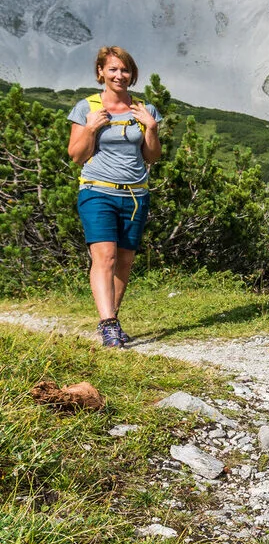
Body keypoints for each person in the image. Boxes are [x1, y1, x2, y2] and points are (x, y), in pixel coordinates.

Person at [67, 46, 162, 348]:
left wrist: (151, 127)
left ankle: (111, 320)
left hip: (135, 195)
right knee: (105, 256)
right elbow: (76, 156)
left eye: (125, 70)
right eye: (113, 69)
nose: (119, 75)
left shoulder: (144, 110)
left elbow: (152, 156)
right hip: (97, 191)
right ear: (100, 72)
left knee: (124, 260)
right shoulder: (87, 107)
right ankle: (109, 325)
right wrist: (90, 129)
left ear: (132, 74)